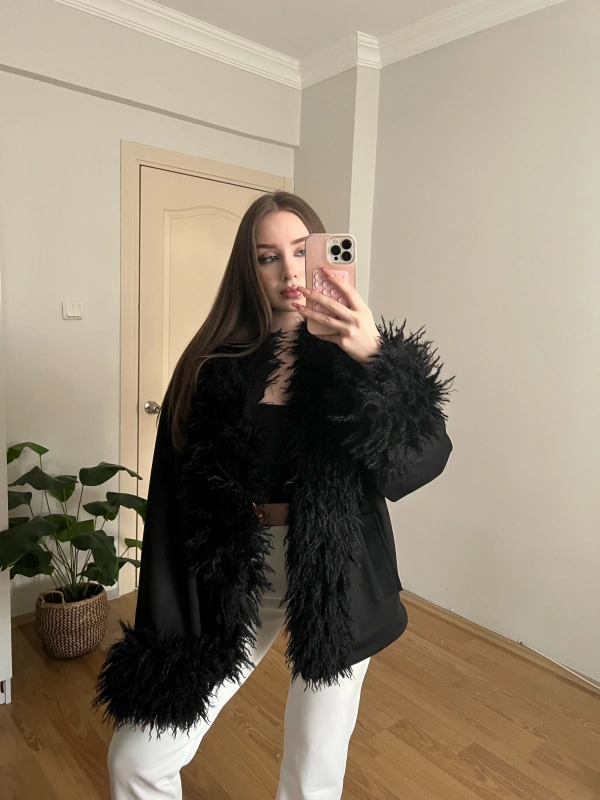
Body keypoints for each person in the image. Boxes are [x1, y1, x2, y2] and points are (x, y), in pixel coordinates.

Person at [92, 191, 455, 799]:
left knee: (314, 773)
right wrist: (166, 620)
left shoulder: (355, 359)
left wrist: (376, 360)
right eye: (268, 257)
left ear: (325, 257)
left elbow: (420, 463)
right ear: (249, 269)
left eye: (302, 251)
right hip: (238, 573)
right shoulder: (212, 366)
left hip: (336, 572)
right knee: (136, 757)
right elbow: (173, 507)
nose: (289, 271)